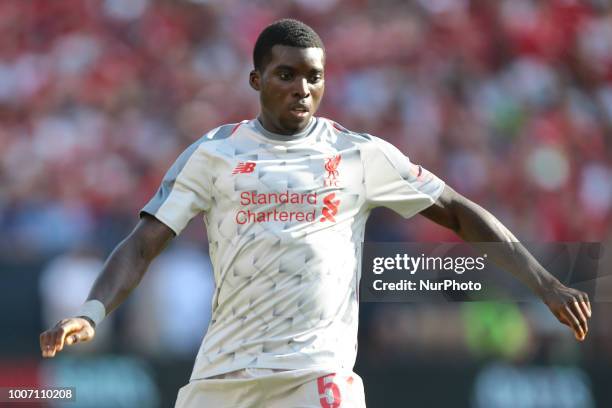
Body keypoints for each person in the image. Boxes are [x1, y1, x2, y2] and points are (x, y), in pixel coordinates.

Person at [40, 19, 592, 408]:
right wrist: (91, 312)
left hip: (315, 375)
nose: (302, 89)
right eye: (286, 75)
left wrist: (544, 282)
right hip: (223, 374)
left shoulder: (357, 154)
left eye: (314, 76)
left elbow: (457, 211)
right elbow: (142, 243)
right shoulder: (214, 155)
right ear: (257, 80)